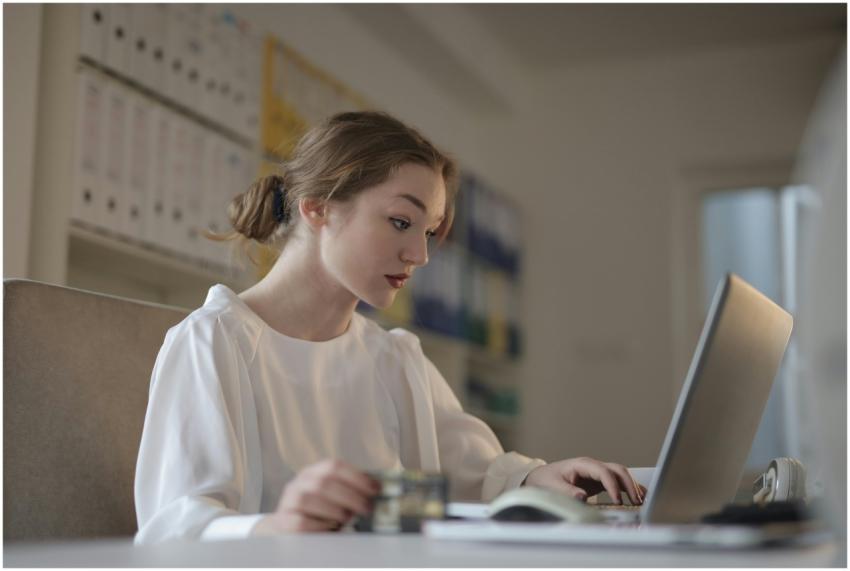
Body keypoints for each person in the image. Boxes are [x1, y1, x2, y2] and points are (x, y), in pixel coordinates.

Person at [134, 111, 644, 544]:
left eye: (428, 232)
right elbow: (171, 531)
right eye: (402, 222)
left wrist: (539, 477)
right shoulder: (213, 342)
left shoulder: (394, 358)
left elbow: (479, 472)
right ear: (318, 208)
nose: (419, 255)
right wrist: (278, 527)